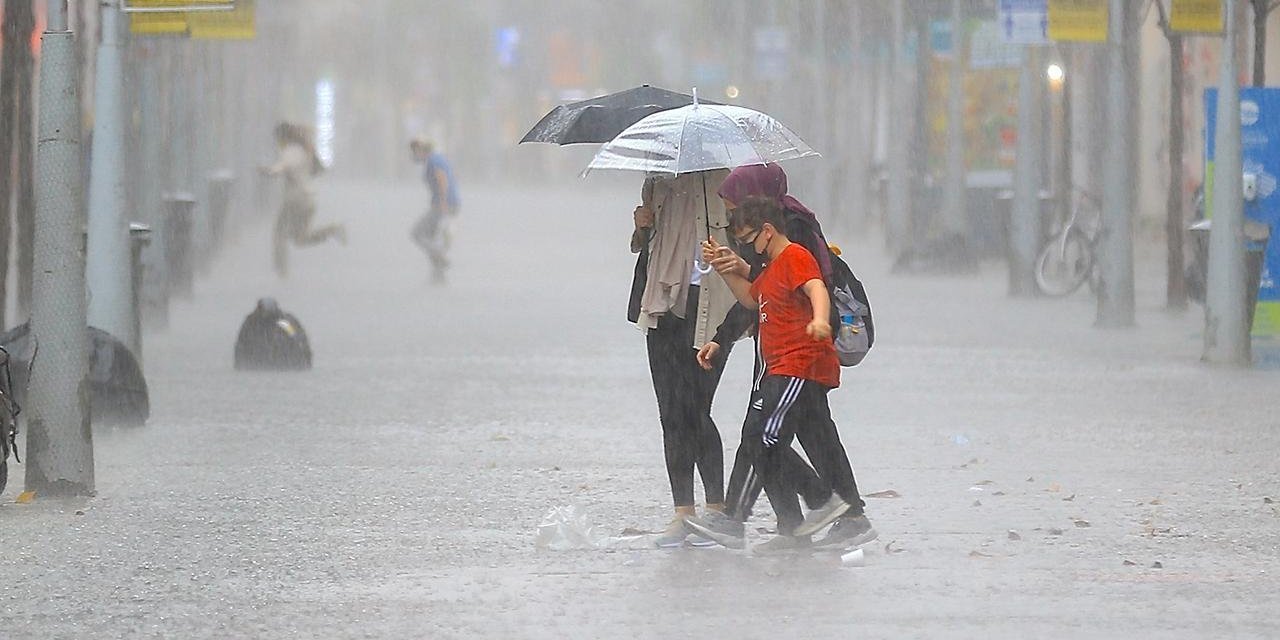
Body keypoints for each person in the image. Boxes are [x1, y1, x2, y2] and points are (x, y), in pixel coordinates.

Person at [682, 163, 870, 550]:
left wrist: (819, 319)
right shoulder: (769, 243)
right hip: (785, 352)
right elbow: (757, 295)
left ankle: (790, 511)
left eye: (737, 209)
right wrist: (723, 325)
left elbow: (809, 285)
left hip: (798, 353)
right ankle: (812, 522)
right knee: (808, 435)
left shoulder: (792, 235)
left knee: (762, 436)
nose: (734, 219)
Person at [629, 169, 738, 548]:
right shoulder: (656, 180)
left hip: (711, 308)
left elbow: (747, 242)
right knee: (671, 413)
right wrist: (641, 227)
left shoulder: (725, 182)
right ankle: (683, 513)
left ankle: (716, 509)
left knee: (696, 409)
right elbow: (645, 246)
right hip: (662, 305)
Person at [260, 122, 345, 277]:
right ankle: (332, 230)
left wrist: (270, 171)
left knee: (279, 233)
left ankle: (281, 271)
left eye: (277, 138)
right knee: (300, 239)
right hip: (307, 200)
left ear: (283, 137)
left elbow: (286, 165)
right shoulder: (304, 150)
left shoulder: (292, 150)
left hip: (295, 200)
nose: (277, 142)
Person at [409, 138, 461, 283]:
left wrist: (443, 201)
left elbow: (442, 178)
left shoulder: (433, 160)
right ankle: (438, 272)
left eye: (414, 151)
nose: (413, 155)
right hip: (447, 203)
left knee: (417, 233)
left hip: (443, 205)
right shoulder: (436, 159)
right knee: (433, 237)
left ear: (421, 150)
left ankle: (439, 257)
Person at [233, 297, 313, 371]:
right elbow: (242, 342)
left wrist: (303, 360)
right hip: (257, 365)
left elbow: (296, 339)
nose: (266, 314)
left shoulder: (284, 323)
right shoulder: (252, 323)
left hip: (282, 365)